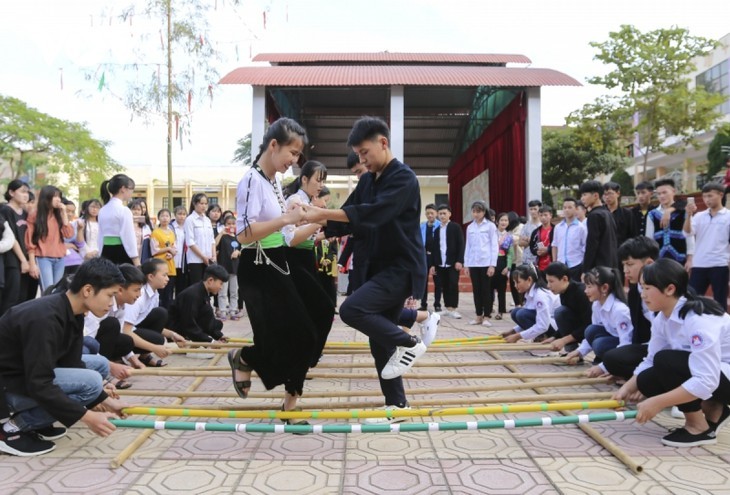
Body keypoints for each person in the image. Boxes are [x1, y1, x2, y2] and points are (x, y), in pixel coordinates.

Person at [304, 116, 428, 420]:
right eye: (358, 155)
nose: (362, 160)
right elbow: (347, 213)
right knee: (378, 343)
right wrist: (315, 223)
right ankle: (397, 404)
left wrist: (319, 212)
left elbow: (372, 213)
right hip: (377, 266)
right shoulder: (368, 181)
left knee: (352, 310)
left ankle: (411, 343)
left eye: (364, 153)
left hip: (401, 268)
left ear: (382, 143)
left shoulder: (403, 178)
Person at [229, 117, 318, 420]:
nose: (294, 162)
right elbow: (243, 234)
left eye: (297, 156)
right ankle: (246, 358)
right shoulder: (251, 180)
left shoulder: (272, 182)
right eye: (292, 154)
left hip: (277, 262)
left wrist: (293, 215)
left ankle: (288, 403)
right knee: (288, 338)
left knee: (304, 335)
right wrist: (284, 220)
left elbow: (280, 224)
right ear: (273, 145)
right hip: (258, 268)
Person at [0, 257, 129, 456]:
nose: (111, 304)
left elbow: (72, 364)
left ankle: (37, 421)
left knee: (97, 366)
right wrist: (87, 416)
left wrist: (105, 401)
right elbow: (40, 382)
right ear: (87, 290)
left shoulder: (73, 311)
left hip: (22, 375)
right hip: (7, 389)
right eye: (110, 295)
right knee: (91, 380)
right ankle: (11, 430)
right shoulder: (45, 319)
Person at [614, 258, 730, 447]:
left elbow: (706, 380)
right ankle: (714, 408)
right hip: (718, 374)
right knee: (646, 380)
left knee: (667, 361)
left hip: (721, 376)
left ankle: (698, 427)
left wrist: (657, 402)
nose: (643, 295)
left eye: (648, 288)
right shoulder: (663, 318)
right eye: (642, 288)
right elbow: (650, 359)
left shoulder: (698, 321)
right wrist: (627, 388)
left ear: (670, 289)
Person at [282, 160, 335, 362]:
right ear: (304, 179)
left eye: (323, 181)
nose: (320, 185)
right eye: (318, 180)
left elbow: (307, 239)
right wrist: (318, 222)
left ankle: (307, 355)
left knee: (314, 311)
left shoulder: (310, 203)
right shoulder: (295, 202)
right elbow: (291, 239)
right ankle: (306, 357)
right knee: (321, 309)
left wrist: (320, 230)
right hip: (294, 261)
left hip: (306, 260)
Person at [601, 236, 658, 381]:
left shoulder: (664, 291)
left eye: (630, 264)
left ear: (649, 263)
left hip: (673, 350)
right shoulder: (634, 292)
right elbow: (637, 332)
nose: (625, 270)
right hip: (651, 346)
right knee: (612, 359)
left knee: (664, 362)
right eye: (623, 265)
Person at [565, 266, 633, 376]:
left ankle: (617, 367)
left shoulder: (620, 310)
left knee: (599, 344)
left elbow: (626, 343)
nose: (585, 291)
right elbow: (591, 333)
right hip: (613, 340)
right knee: (590, 330)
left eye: (589, 287)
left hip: (625, 347)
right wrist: (580, 351)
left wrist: (605, 367)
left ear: (604, 288)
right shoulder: (596, 305)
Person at [122, 258, 186, 367]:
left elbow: (150, 322)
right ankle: (119, 358)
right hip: (124, 334)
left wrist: (172, 335)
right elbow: (125, 331)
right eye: (164, 275)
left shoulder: (154, 294)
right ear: (151, 277)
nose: (167, 279)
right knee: (158, 338)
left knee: (160, 314)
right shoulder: (139, 295)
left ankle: (144, 357)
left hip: (134, 329)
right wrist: (154, 347)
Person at [84, 264, 145, 368]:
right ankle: (102, 369)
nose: (139, 295)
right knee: (111, 324)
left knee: (126, 341)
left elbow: (119, 334)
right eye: (136, 290)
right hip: (87, 345)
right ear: (120, 290)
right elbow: (87, 340)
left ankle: (108, 363)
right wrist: (109, 367)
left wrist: (133, 360)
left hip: (94, 342)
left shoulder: (122, 307)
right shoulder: (99, 305)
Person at [684, 183, 730, 309]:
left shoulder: (728, 216)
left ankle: (722, 327)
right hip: (699, 264)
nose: (707, 200)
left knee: (720, 301)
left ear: (721, 195)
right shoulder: (699, 216)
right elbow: (687, 232)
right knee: (692, 299)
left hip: (720, 264)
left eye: (710, 196)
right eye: (704, 197)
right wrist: (688, 215)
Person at [25, 185, 74, 291]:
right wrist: (32, 264)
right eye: (55, 196)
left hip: (60, 258)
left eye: (59, 197)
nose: (58, 199)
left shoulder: (59, 215)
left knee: (58, 291)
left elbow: (69, 234)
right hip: (43, 258)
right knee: (48, 291)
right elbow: (30, 241)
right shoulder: (35, 215)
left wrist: (64, 214)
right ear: (47, 197)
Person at [168, 264, 229, 343]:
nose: (221, 287)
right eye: (221, 283)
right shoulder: (193, 295)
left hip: (189, 326)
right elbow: (189, 324)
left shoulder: (204, 291)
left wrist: (219, 336)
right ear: (210, 280)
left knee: (217, 324)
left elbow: (208, 318)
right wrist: (210, 341)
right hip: (179, 333)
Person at [0, 180, 36, 313]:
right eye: (22, 191)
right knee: (11, 298)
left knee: (24, 297)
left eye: (27, 192)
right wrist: (23, 260)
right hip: (13, 260)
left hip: (27, 260)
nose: (26, 195)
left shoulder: (26, 213)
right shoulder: (5, 210)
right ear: (11, 192)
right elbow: (12, 238)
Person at [503, 264, 559, 343]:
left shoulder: (540, 295)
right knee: (515, 312)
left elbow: (543, 325)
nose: (515, 286)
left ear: (529, 280)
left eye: (518, 282)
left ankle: (543, 338)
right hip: (548, 323)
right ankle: (540, 336)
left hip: (556, 329)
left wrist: (518, 336)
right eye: (514, 282)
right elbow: (531, 319)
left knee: (521, 314)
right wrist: (512, 331)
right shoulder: (530, 293)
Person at [544, 262, 592, 354]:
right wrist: (555, 337)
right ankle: (571, 350)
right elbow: (567, 321)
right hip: (581, 327)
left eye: (551, 281)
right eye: (547, 281)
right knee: (561, 313)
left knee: (560, 312)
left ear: (564, 279)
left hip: (590, 329)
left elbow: (589, 323)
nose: (548, 286)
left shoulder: (581, 293)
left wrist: (564, 340)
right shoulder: (563, 293)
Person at [463, 200, 498, 326]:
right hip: (473, 263)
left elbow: (494, 246)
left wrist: (492, 265)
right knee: (476, 290)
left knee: (486, 290)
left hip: (486, 263)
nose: (476, 214)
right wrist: (466, 264)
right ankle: (478, 315)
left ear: (484, 212)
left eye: (479, 211)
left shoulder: (490, 226)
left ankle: (487, 316)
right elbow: (468, 246)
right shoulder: (470, 227)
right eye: (474, 211)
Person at [645, 179, 693, 266]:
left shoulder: (684, 211)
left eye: (664, 192)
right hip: (659, 260)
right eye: (659, 194)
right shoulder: (652, 214)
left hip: (680, 257)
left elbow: (689, 236)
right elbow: (649, 239)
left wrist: (690, 259)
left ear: (673, 191)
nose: (661, 196)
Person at [431, 205, 464, 318]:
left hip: (453, 262)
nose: (442, 216)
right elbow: (434, 248)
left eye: (444, 213)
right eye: (440, 214)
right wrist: (433, 265)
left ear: (449, 214)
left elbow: (461, 244)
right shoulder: (436, 230)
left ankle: (453, 308)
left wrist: (460, 260)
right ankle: (447, 308)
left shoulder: (455, 227)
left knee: (453, 284)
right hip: (440, 263)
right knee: (443, 285)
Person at [98, 174, 139, 266]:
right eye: (131, 189)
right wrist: (136, 260)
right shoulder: (124, 210)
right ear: (123, 188)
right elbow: (128, 236)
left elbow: (100, 235)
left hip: (105, 252)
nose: (131, 193)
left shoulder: (102, 210)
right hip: (121, 251)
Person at [579, 180, 618, 271]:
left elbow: (592, 245)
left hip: (599, 267)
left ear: (596, 196)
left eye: (585, 195)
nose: (582, 198)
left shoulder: (594, 215)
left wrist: (586, 269)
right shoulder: (607, 213)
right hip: (611, 265)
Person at [551, 197, 587, 282]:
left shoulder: (581, 227)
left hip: (576, 264)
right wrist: (554, 262)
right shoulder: (558, 227)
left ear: (576, 209)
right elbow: (554, 245)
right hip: (560, 265)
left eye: (570, 207)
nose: (567, 210)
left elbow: (586, 247)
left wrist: (584, 266)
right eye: (564, 207)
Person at [184, 193, 216, 285]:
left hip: (209, 259)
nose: (204, 206)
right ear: (195, 203)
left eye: (206, 204)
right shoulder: (190, 220)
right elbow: (190, 242)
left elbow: (212, 240)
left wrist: (214, 256)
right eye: (201, 203)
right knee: (197, 286)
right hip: (195, 260)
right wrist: (203, 257)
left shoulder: (207, 220)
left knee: (208, 286)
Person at [215, 215, 242, 320]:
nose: (231, 226)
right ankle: (222, 311)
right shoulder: (222, 236)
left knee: (234, 291)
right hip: (223, 267)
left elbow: (243, 249)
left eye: (233, 223)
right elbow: (214, 244)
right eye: (228, 224)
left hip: (235, 268)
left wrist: (238, 252)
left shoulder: (238, 236)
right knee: (222, 291)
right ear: (224, 225)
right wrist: (221, 233)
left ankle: (233, 310)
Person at [150, 208, 177, 309]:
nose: (165, 218)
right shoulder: (156, 232)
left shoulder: (171, 233)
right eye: (162, 216)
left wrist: (172, 253)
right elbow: (154, 250)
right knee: (159, 294)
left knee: (169, 295)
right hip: (159, 265)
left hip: (170, 266)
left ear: (170, 218)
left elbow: (175, 248)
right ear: (158, 218)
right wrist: (168, 248)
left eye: (167, 216)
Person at [419, 203, 442, 312]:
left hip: (436, 258)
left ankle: (437, 304)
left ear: (436, 213)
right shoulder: (422, 226)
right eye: (427, 213)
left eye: (432, 213)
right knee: (423, 282)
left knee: (438, 282)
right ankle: (423, 304)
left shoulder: (441, 225)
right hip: (424, 257)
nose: (430, 215)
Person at [493, 212, 514, 320]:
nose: (504, 222)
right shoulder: (491, 233)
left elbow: (510, 254)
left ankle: (501, 311)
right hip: (491, 262)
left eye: (506, 220)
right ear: (497, 222)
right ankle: (487, 310)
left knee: (501, 289)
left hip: (502, 262)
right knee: (488, 288)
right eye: (502, 220)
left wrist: (508, 267)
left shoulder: (509, 237)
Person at [528, 205, 554, 278]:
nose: (543, 217)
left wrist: (548, 249)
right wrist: (537, 252)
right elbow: (532, 247)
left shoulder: (556, 230)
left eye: (545, 215)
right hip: (540, 265)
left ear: (550, 215)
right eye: (541, 215)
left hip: (553, 264)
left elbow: (559, 246)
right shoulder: (536, 232)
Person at [519, 200, 542, 267]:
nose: (533, 211)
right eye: (531, 209)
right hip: (526, 260)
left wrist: (529, 240)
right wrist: (533, 241)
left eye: (535, 209)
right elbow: (520, 242)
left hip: (539, 259)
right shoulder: (526, 226)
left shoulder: (542, 225)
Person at [171, 205, 188, 296]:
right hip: (172, 261)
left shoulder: (187, 227)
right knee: (170, 287)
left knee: (181, 288)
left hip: (183, 263)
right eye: (179, 214)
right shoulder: (170, 227)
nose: (182, 216)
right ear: (175, 215)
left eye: (184, 214)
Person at [129, 199, 152, 263]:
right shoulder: (125, 225)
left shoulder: (146, 227)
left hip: (141, 255)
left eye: (138, 210)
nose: (136, 212)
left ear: (142, 212)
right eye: (133, 209)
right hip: (128, 255)